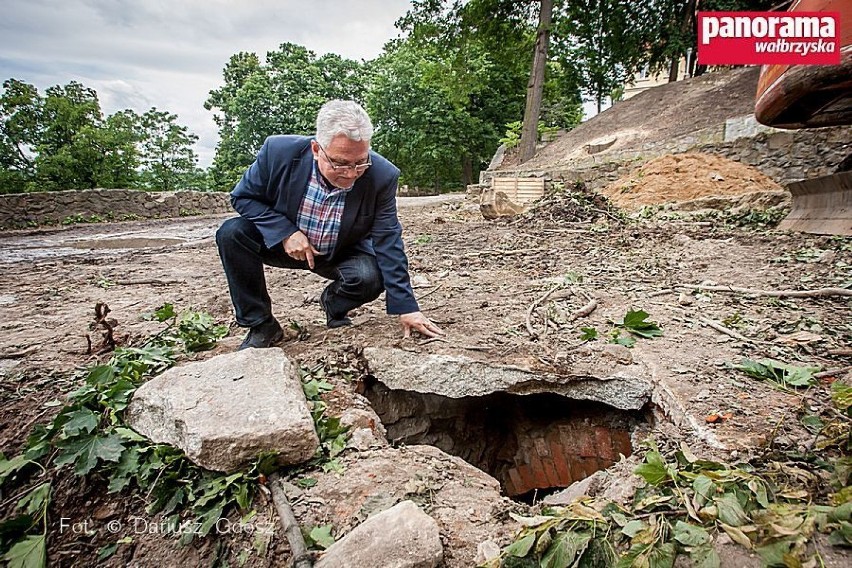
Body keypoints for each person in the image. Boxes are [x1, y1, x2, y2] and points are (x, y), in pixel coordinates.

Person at [216, 99, 443, 350]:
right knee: (231, 233)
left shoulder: (382, 176)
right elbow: (242, 197)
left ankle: (334, 304)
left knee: (371, 276)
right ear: (316, 149)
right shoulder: (278, 152)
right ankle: (261, 325)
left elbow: (388, 239)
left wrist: (407, 306)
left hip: (340, 252)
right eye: (340, 163)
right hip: (283, 244)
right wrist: (285, 231)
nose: (350, 173)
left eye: (360, 163)